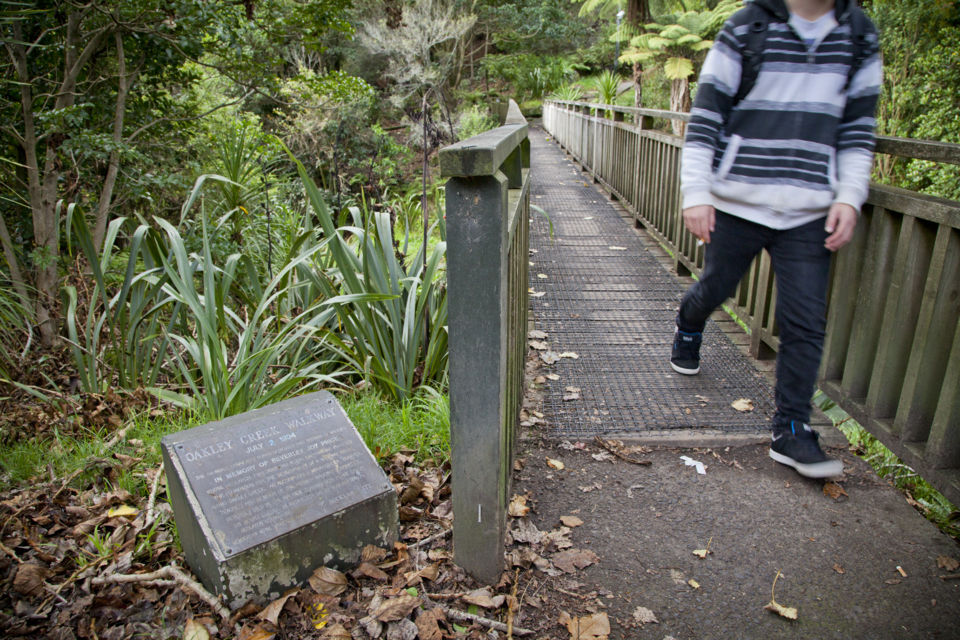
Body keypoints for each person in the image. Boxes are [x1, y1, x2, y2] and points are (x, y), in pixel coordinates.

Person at [673, 0, 882, 478]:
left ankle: (791, 429)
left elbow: (857, 127)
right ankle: (689, 322)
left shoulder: (859, 35)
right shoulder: (747, 26)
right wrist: (696, 192)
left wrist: (850, 195)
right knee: (718, 288)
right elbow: (707, 114)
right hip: (738, 200)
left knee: (805, 321)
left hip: (811, 209)